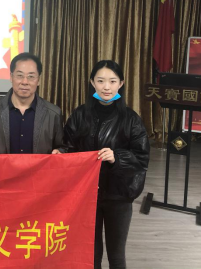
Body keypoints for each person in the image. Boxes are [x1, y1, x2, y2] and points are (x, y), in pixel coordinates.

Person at [59, 60, 150, 269]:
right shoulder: (80, 115)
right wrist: (61, 153)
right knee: (91, 254)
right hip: (86, 196)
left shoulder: (131, 119)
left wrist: (117, 157)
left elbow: (142, 159)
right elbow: (68, 147)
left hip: (119, 196)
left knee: (116, 256)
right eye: (100, 81)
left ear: (121, 83)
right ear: (92, 82)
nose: (106, 87)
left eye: (112, 81)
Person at [0, 52, 63, 155]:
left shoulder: (53, 113)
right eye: (20, 75)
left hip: (39, 166)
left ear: (38, 80)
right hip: (3, 166)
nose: (25, 82)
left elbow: (62, 146)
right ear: (11, 77)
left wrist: (60, 151)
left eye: (31, 76)